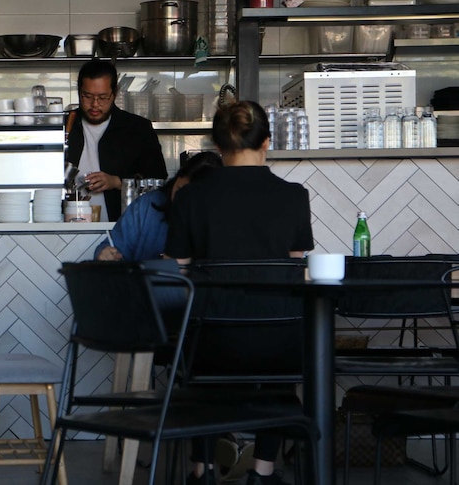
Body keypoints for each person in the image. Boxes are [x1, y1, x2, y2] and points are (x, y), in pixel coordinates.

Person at [165, 100, 314, 485]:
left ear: (217, 148)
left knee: (197, 379)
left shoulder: (191, 198)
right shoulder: (294, 196)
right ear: (266, 142)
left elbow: (176, 272)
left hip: (211, 342)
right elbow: (295, 269)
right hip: (279, 344)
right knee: (283, 371)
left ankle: (202, 470)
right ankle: (262, 472)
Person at [66, 60, 168, 222]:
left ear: (115, 93)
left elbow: (158, 180)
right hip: (66, 226)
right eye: (87, 97)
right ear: (79, 92)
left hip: (121, 227)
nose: (95, 104)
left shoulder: (137, 128)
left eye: (103, 97)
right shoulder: (66, 125)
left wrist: (117, 181)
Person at [94, 151, 222, 261]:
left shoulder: (222, 217)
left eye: (193, 198)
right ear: (177, 178)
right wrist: (104, 253)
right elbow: (112, 246)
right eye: (180, 190)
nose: (183, 200)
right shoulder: (146, 207)